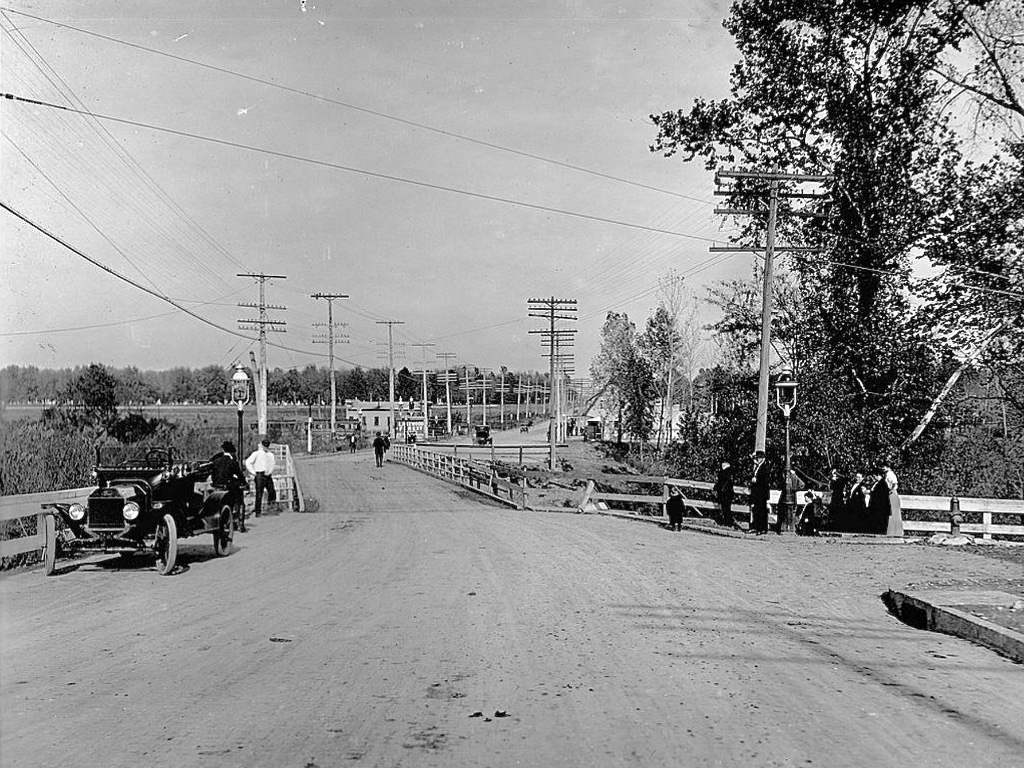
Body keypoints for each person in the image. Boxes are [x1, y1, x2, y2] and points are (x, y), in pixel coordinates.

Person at [209, 440, 248, 531]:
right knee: (240, 501)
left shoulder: (216, 461)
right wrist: (244, 483)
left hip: (217, 486)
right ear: (232, 451)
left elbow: (213, 475)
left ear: (223, 450)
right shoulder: (232, 462)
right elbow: (239, 475)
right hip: (228, 487)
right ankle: (240, 523)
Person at [245, 439, 276, 517]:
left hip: (268, 475)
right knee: (259, 493)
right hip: (259, 474)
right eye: (265, 446)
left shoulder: (271, 455)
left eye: (267, 446)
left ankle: (270, 507)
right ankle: (258, 511)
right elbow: (248, 462)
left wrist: (269, 472)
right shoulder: (257, 454)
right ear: (262, 445)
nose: (266, 447)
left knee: (272, 491)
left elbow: (272, 464)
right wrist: (253, 472)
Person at [749, 450, 770, 534]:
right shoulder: (758, 467)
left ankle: (762, 528)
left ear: (762, 458)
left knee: (762, 511)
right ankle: (757, 527)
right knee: (757, 510)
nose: (758, 459)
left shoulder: (764, 467)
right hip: (757, 492)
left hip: (761, 493)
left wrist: (756, 480)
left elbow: (765, 481)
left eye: (759, 458)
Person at [882, 462, 904, 537]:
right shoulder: (888, 474)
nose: (883, 468)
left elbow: (894, 483)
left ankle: (895, 531)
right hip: (891, 493)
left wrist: (890, 489)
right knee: (893, 512)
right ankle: (893, 531)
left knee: (893, 512)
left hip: (892, 493)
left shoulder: (890, 474)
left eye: (884, 467)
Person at [867, 468, 891, 534]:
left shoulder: (882, 484)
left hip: (880, 509)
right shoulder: (879, 483)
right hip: (878, 509)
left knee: (880, 526)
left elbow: (880, 497)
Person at [712, 460, 735, 527]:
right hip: (723, 492)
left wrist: (721, 488)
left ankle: (729, 522)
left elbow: (728, 482)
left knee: (726, 508)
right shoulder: (723, 471)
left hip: (726, 493)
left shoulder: (728, 471)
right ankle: (726, 521)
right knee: (724, 508)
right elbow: (720, 482)